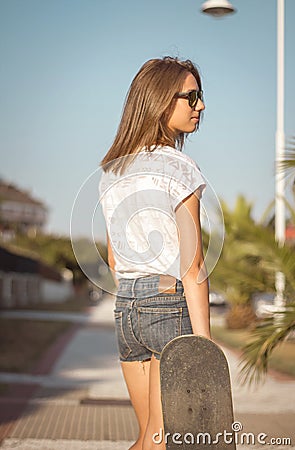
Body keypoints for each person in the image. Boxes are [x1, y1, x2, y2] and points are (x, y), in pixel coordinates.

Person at [99, 56, 211, 450]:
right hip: (167, 304)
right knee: (164, 441)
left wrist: (137, 297)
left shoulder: (113, 170)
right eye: (191, 97)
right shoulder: (180, 167)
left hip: (127, 307)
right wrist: (205, 349)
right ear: (162, 101)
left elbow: (114, 260)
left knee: (147, 436)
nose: (200, 106)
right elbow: (193, 264)